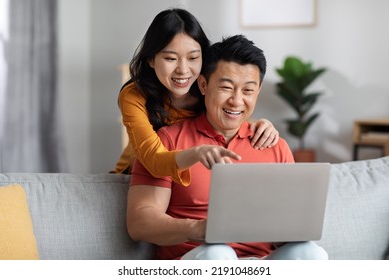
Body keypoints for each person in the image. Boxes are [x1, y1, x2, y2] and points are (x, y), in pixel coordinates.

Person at [126, 34, 328, 260]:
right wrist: (197, 229)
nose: (237, 101)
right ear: (203, 85)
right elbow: (140, 223)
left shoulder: (275, 145)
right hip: (200, 258)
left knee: (310, 253)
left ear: (258, 91)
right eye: (226, 87)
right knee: (217, 253)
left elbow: (286, 228)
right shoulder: (167, 142)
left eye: (248, 90)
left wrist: (293, 230)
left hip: (260, 263)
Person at [112, 8, 279, 186]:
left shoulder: (206, 88)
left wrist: (260, 125)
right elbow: (154, 160)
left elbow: (232, 114)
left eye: (193, 58)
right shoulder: (134, 95)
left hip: (183, 181)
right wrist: (197, 153)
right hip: (134, 177)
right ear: (151, 60)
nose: (183, 70)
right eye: (171, 58)